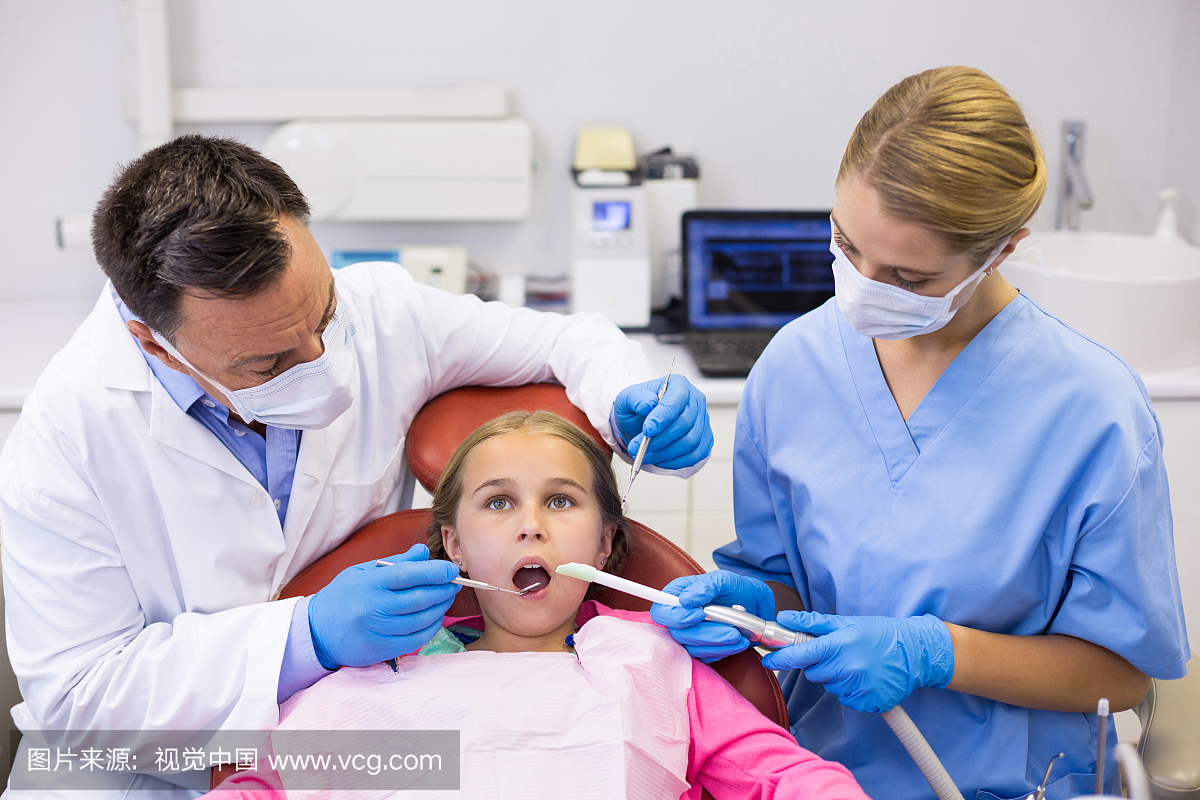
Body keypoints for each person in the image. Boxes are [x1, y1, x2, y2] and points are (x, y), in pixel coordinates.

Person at [0, 135, 713, 798]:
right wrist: (304, 637)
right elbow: (77, 702)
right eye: (268, 362)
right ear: (153, 344)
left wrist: (626, 399)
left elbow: (566, 339)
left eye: (323, 316)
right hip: (146, 766)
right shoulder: (66, 436)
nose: (323, 366)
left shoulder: (382, 313)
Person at [651, 66, 1190, 799]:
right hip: (815, 776)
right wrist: (745, 607)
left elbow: (1121, 673)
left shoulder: (1093, 408)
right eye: (846, 247)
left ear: (1002, 250)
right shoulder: (796, 365)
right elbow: (783, 583)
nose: (865, 288)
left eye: (909, 279)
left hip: (1007, 785)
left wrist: (938, 653)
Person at [209, 411, 871, 800]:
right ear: (454, 546)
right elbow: (256, 783)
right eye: (498, 502)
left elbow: (786, 780)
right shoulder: (372, 667)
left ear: (604, 540)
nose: (531, 526)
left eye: (560, 501)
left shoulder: (655, 661)